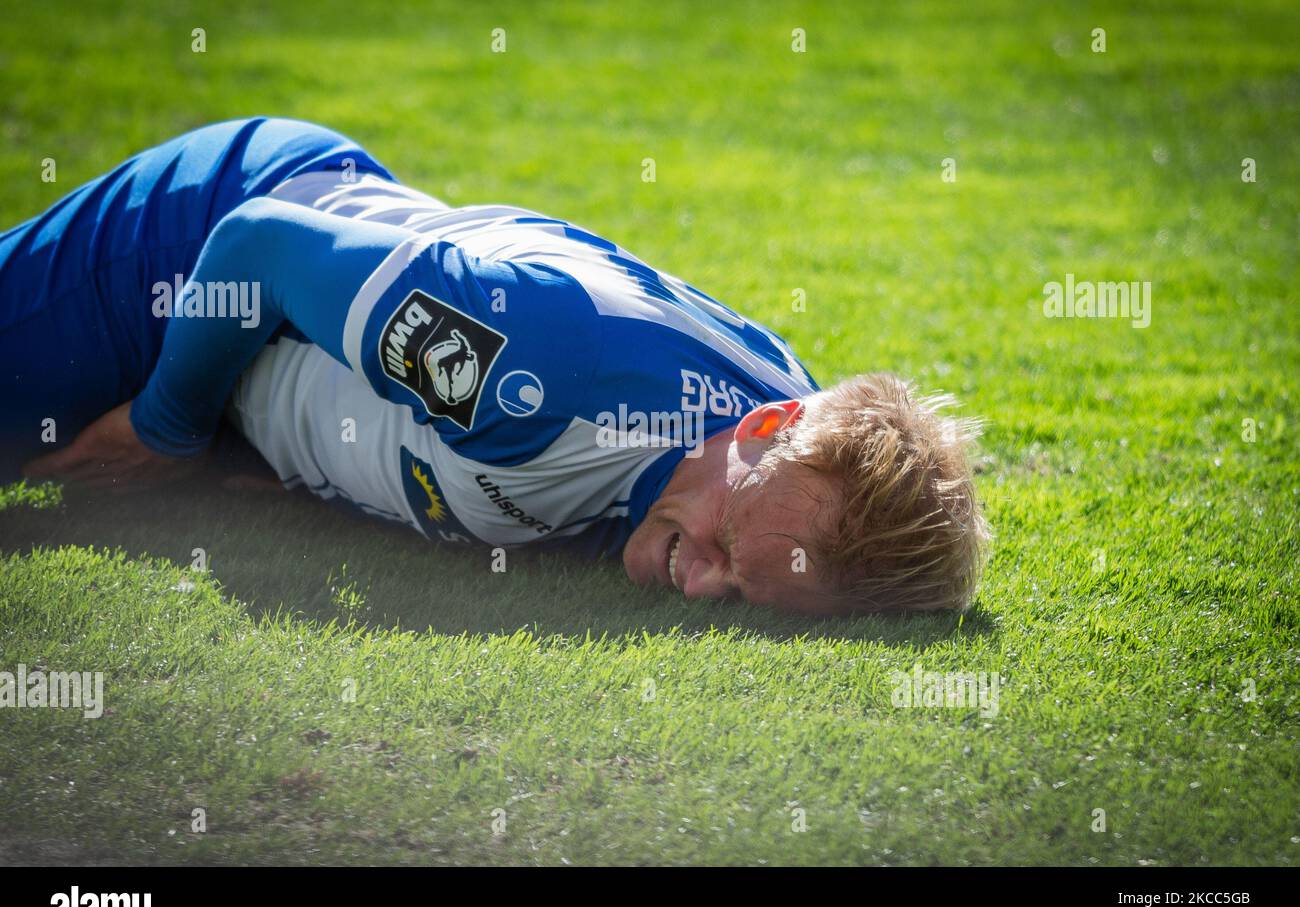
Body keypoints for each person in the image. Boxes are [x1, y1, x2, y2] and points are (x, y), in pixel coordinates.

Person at [1, 118, 989, 613]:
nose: (698, 587)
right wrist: (165, 430)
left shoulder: (800, 443)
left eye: (738, 593)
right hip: (190, 255)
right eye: (727, 546)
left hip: (273, 349)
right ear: (764, 428)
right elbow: (258, 246)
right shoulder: (538, 375)